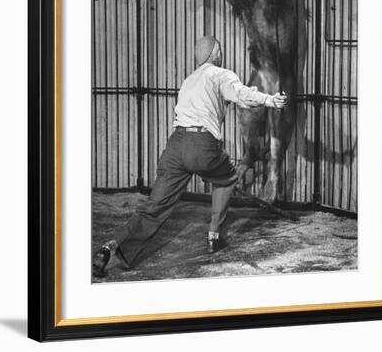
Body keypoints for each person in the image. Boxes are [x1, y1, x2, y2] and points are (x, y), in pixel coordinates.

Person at [93, 36, 288, 277]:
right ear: (216, 53)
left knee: (156, 205)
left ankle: (113, 247)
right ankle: (214, 236)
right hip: (202, 145)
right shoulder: (220, 74)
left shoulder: (188, 80)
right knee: (226, 179)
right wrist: (269, 100)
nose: (221, 54)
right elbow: (241, 94)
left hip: (175, 146)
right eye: (220, 50)